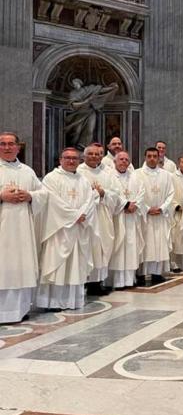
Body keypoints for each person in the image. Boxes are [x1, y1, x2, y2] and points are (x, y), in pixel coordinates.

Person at [38, 147, 97, 310]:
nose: (71, 161)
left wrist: (83, 214)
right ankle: (53, 302)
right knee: (58, 265)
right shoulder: (51, 178)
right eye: (67, 158)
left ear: (79, 161)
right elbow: (53, 201)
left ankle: (73, 300)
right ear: (60, 160)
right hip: (59, 230)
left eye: (74, 158)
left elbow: (90, 200)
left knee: (76, 265)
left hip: (79, 230)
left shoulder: (83, 180)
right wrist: (75, 215)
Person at [0, 132, 47, 322]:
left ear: (18, 147)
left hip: (23, 229)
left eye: (11, 144)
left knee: (22, 266)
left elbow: (43, 193)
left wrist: (30, 196)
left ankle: (20, 310)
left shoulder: (27, 171)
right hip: (3, 229)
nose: (7, 147)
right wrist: (1, 196)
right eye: (2, 144)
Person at [77, 144, 121, 294]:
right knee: (89, 247)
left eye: (97, 154)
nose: (94, 157)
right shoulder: (78, 172)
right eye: (91, 154)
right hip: (87, 217)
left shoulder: (107, 173)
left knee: (102, 248)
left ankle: (98, 281)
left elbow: (116, 194)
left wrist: (103, 193)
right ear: (84, 156)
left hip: (102, 214)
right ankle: (86, 281)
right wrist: (93, 194)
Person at [135, 147, 175, 285]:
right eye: (149, 156)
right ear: (145, 157)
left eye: (154, 156)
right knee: (145, 244)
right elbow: (136, 195)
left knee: (159, 244)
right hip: (144, 216)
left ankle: (157, 273)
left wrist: (162, 208)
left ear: (159, 158)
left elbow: (171, 194)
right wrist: (146, 209)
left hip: (160, 215)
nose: (152, 159)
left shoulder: (166, 175)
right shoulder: (137, 174)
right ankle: (141, 273)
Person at [108, 151, 145, 289]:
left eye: (126, 160)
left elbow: (142, 193)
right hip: (117, 217)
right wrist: (125, 204)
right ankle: (116, 281)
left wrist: (135, 205)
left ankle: (129, 280)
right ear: (115, 162)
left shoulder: (135, 177)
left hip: (132, 218)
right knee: (117, 248)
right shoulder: (109, 177)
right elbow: (110, 194)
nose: (124, 162)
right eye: (121, 159)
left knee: (131, 247)